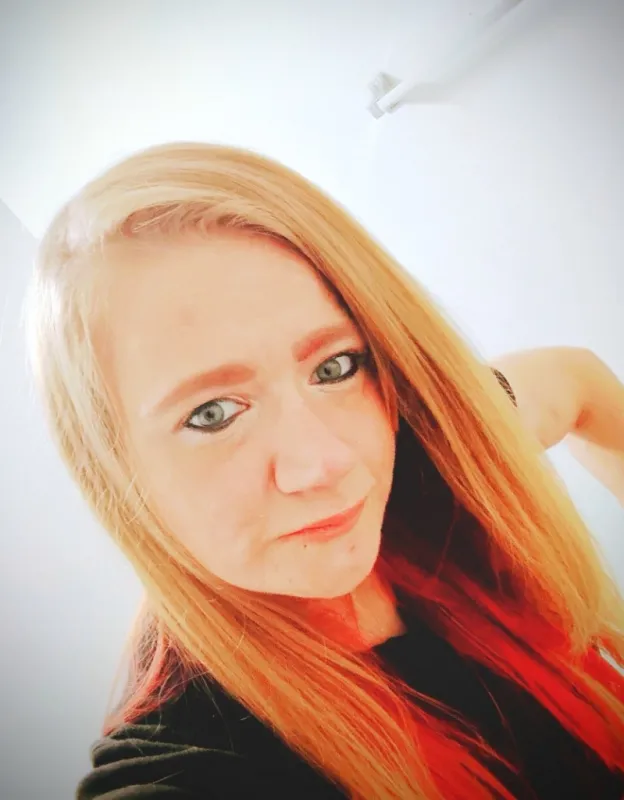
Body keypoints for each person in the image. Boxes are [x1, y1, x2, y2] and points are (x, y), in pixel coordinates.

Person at [26, 142, 624, 800]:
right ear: (114, 470)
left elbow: (577, 378)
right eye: (212, 414)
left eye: (334, 367)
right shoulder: (187, 762)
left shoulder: (441, 454)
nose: (325, 463)